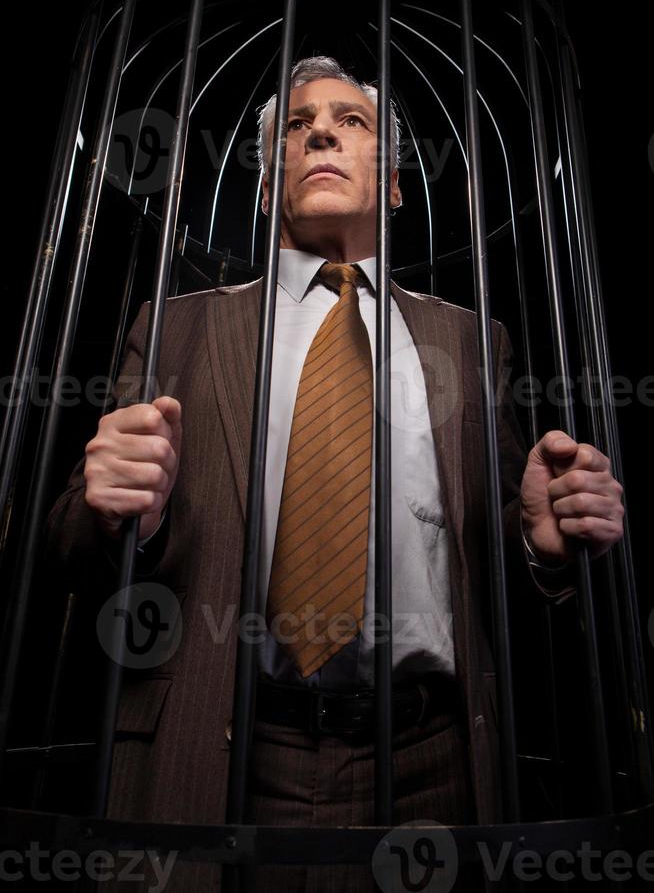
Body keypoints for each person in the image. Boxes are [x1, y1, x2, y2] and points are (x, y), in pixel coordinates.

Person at [46, 56, 625, 892]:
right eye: (295, 125)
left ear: (392, 184)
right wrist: (118, 514)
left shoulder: (471, 340)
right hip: (226, 754)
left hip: (435, 765)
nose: (320, 129)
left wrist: (540, 541)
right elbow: (70, 539)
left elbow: (491, 549)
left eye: (350, 121)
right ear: (268, 181)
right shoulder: (179, 329)